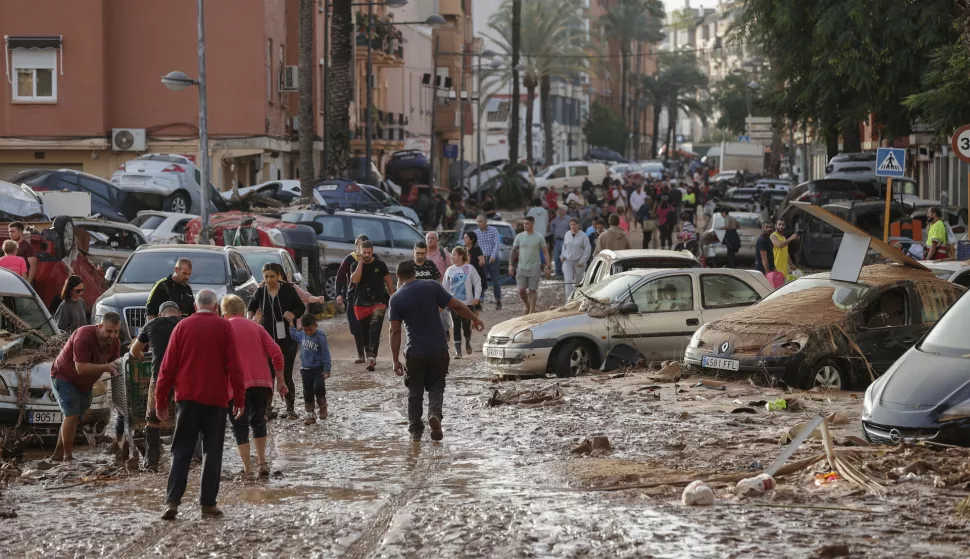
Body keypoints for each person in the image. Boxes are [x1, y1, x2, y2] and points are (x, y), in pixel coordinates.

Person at [156, 290, 245, 520]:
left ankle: (172, 502)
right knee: (212, 452)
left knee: (181, 450)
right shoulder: (224, 327)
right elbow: (235, 366)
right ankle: (207, 504)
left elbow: (167, 368)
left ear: (195, 307)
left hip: (186, 400)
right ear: (216, 308)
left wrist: (160, 400)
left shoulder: (182, 327)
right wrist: (240, 398)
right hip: (215, 400)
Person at [388, 261, 483, 442]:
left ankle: (416, 432)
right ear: (415, 273)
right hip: (438, 349)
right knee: (436, 386)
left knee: (415, 392)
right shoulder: (432, 286)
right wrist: (475, 319)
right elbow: (457, 305)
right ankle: (435, 415)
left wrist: (395, 359)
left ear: (399, 277)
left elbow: (395, 331)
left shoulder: (396, 298)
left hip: (415, 352)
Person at [221, 295, 284, 478]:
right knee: (258, 421)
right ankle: (263, 463)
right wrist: (280, 380)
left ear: (225, 314)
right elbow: (277, 353)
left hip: (235, 386)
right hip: (261, 383)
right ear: (242, 311)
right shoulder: (257, 328)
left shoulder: (223, 330)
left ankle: (248, 470)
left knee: (239, 425)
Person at [49, 313, 122, 462]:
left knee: (75, 418)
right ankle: (68, 457)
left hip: (85, 383)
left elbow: (117, 366)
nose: (113, 335)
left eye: (116, 331)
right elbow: (80, 368)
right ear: (100, 326)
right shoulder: (84, 336)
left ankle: (57, 454)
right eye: (109, 331)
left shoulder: (115, 342)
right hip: (64, 376)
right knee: (71, 414)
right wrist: (106, 366)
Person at [129, 301, 183, 471]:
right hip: (184, 378)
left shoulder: (151, 324)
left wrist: (143, 357)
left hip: (160, 377)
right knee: (187, 416)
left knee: (152, 419)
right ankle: (191, 458)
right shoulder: (185, 324)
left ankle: (151, 462)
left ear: (160, 314)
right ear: (179, 313)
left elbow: (134, 351)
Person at [248, 262, 305, 418]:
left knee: (286, 374)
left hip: (287, 338)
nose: (269, 280)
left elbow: (301, 307)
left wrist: (293, 314)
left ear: (279, 276)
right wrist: (250, 319)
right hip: (267, 339)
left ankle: (290, 408)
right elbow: (251, 306)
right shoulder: (260, 292)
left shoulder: (288, 290)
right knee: (268, 374)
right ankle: (267, 409)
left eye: (272, 276)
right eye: (266, 276)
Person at [350, 241, 396, 371]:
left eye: (369, 252)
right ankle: (368, 354)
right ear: (359, 252)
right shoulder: (355, 265)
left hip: (379, 302)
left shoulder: (380, 265)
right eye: (364, 252)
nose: (367, 255)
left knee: (375, 329)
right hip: (361, 303)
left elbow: (389, 283)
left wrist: (394, 299)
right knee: (364, 332)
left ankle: (372, 358)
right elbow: (356, 280)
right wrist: (360, 263)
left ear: (372, 251)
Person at [289, 313, 331, 426]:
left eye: (310, 330)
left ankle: (322, 406)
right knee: (307, 392)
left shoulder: (321, 336)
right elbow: (293, 334)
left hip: (318, 369)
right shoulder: (302, 334)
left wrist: (327, 369)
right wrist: (290, 322)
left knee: (319, 388)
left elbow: (325, 353)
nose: (308, 332)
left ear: (316, 326)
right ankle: (310, 415)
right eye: (305, 330)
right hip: (305, 370)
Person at [442, 246, 482, 358]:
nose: (452, 256)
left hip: (468, 303)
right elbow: (445, 287)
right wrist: (443, 302)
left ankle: (467, 341)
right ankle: (458, 351)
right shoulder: (449, 270)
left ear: (460, 256)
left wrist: (477, 297)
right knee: (455, 326)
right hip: (454, 303)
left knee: (466, 326)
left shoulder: (470, 268)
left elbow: (478, 283)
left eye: (454, 254)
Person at [336, 235, 370, 363]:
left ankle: (369, 354)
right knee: (355, 327)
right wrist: (339, 293)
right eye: (357, 246)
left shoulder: (373, 259)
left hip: (368, 298)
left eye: (362, 246)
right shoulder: (350, 259)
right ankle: (361, 355)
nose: (359, 249)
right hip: (352, 297)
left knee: (367, 326)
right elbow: (339, 277)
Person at [510, 216, 552, 315]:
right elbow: (513, 251)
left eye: (527, 223)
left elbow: (545, 252)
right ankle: (527, 305)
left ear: (532, 224)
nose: (525, 225)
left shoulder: (539, 237)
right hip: (521, 266)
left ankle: (532, 310)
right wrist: (510, 265)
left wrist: (548, 267)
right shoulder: (519, 236)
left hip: (535, 266)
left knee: (533, 290)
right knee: (521, 290)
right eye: (524, 223)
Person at [474, 215, 503, 310]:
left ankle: (498, 300)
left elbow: (497, 244)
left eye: (480, 221)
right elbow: (475, 247)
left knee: (495, 280)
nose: (479, 224)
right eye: (477, 222)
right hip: (481, 259)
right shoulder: (476, 233)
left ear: (486, 221)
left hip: (493, 259)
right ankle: (479, 301)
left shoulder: (493, 230)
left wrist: (493, 256)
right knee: (480, 280)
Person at [561, 218, 591, 299]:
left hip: (579, 262)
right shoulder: (567, 234)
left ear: (578, 225)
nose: (573, 226)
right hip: (568, 260)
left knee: (578, 281)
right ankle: (568, 298)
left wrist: (582, 261)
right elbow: (564, 246)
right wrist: (562, 255)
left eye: (574, 224)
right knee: (568, 280)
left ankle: (577, 297)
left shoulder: (583, 236)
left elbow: (587, 249)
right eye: (571, 224)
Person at [463, 231, 487, 306]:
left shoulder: (476, 248)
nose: (464, 239)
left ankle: (476, 313)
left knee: (476, 297)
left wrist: (473, 269)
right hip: (466, 276)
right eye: (464, 238)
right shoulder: (463, 249)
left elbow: (482, 261)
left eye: (466, 237)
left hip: (476, 275)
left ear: (472, 239)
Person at [549, 207, 571, 278]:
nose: (558, 211)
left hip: (565, 241)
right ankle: (558, 273)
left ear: (564, 211)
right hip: (557, 240)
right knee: (556, 257)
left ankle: (566, 273)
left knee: (565, 257)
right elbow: (552, 224)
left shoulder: (569, 219)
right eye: (558, 210)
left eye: (560, 210)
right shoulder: (556, 219)